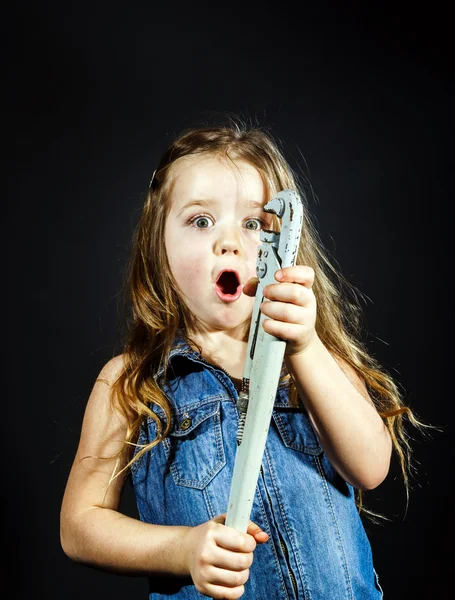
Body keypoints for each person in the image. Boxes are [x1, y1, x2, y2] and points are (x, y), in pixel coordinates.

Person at [60, 118, 426, 599]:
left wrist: (307, 348)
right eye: (201, 221)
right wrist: (183, 549)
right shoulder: (131, 382)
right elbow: (80, 525)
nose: (229, 242)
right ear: (160, 247)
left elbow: (371, 467)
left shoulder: (316, 364)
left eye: (254, 223)